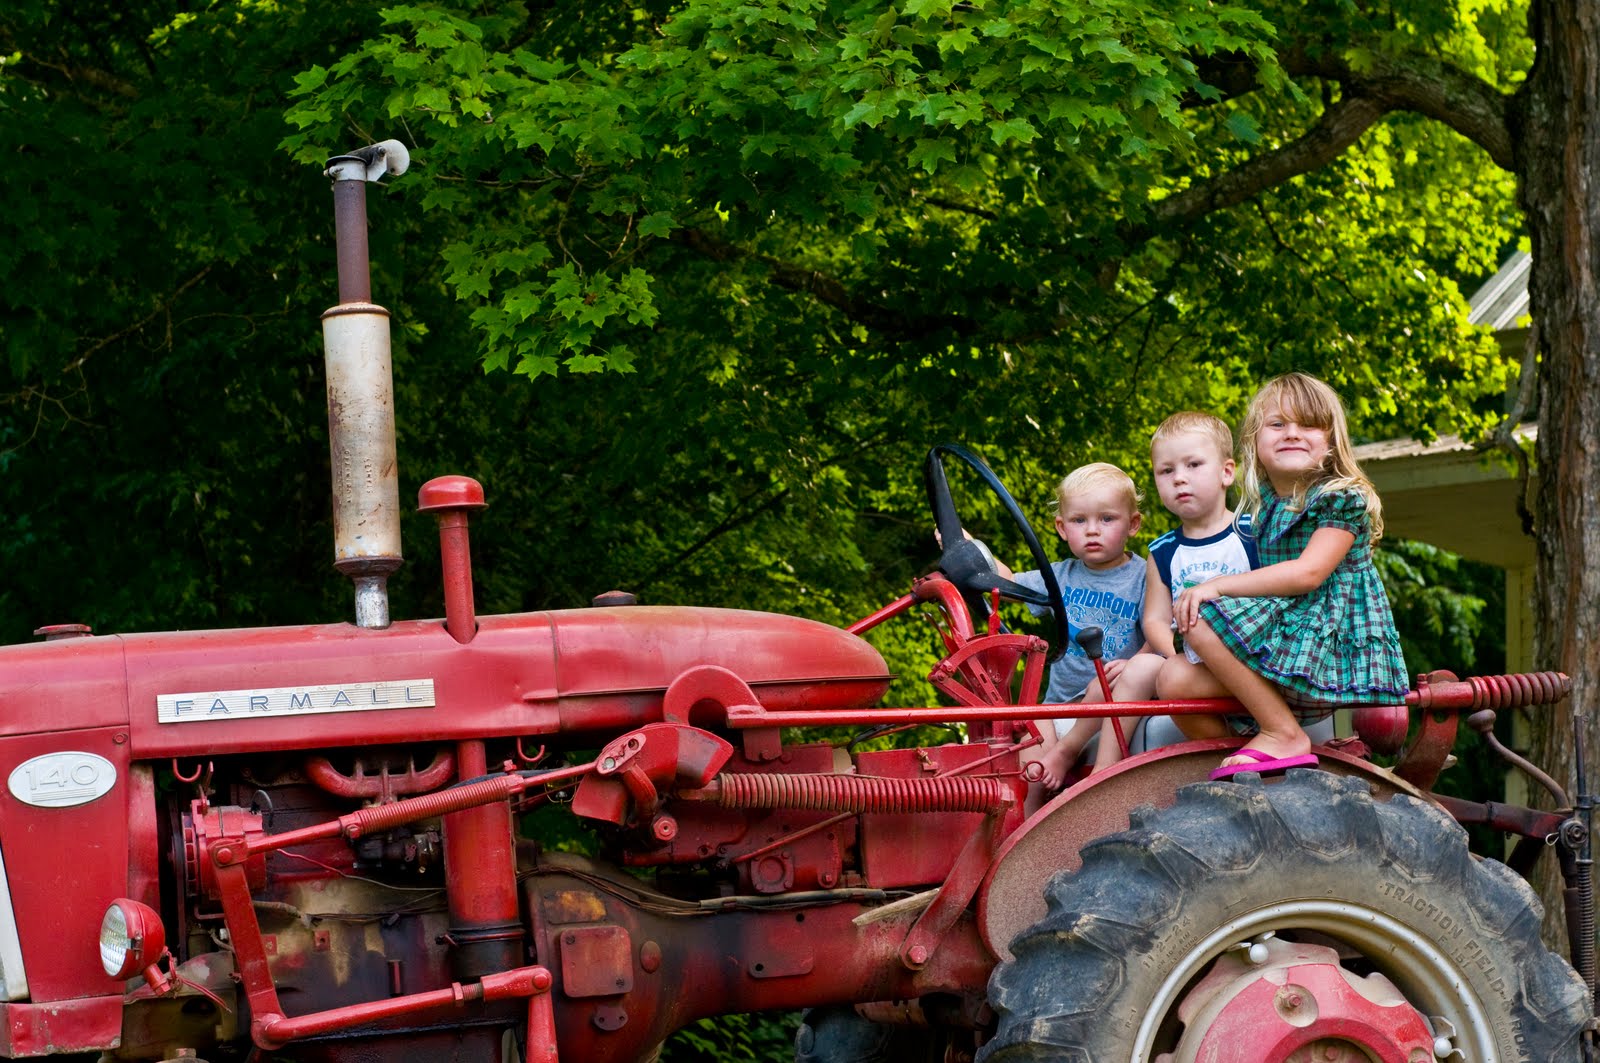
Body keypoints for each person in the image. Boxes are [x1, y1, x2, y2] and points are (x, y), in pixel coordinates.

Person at [1157, 373, 1408, 780]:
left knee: (1200, 615)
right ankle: (1252, 765)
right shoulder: (1267, 507)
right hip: (1288, 641)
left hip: (1326, 648)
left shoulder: (1341, 497)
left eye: (1307, 424)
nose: (1291, 433)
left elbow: (1307, 574)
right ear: (1255, 441)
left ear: (1330, 441)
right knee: (1172, 679)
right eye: (1277, 424)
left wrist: (1213, 586)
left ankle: (1282, 733)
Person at [1089, 411, 1260, 767]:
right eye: (1166, 471)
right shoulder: (1164, 550)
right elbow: (1154, 619)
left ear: (1227, 472)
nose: (1179, 478)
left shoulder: (1252, 533)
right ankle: (1104, 772)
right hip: (1192, 665)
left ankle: (1259, 741)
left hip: (1252, 660)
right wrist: (1174, 654)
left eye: (1194, 464)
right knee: (1139, 670)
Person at [998, 463, 1148, 798]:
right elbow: (1006, 584)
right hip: (1060, 705)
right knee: (1030, 737)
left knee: (1103, 682)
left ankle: (1067, 753)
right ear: (1062, 528)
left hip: (1110, 701)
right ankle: (1029, 831)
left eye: (1106, 519)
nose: (1092, 530)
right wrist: (969, 548)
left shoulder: (1144, 576)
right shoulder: (1060, 576)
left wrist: (1134, 662)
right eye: (1080, 521)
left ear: (1133, 524)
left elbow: (1158, 631)